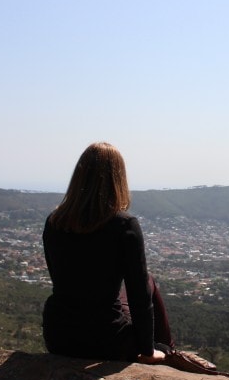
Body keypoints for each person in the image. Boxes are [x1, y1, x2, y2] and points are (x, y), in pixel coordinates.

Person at [41, 142, 174, 364]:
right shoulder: (124, 225)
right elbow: (139, 295)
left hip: (58, 336)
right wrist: (148, 350)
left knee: (146, 282)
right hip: (106, 340)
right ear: (118, 179)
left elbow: (58, 276)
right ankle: (163, 351)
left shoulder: (55, 221)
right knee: (148, 283)